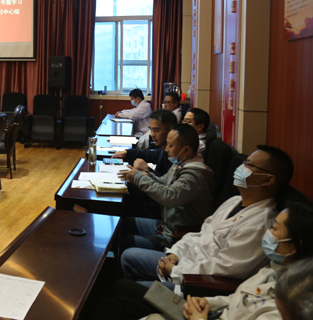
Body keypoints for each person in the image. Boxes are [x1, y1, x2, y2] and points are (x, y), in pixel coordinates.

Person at [94, 201, 313, 320]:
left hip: (199, 300)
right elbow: (237, 299)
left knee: (120, 294)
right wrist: (208, 302)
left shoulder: (292, 299)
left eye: (274, 228)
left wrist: (199, 315)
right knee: (120, 288)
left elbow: (224, 269)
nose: (268, 232)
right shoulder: (272, 270)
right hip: (206, 308)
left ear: (294, 244)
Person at [121, 145, 293, 294]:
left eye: (249, 165)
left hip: (194, 284)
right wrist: (175, 254)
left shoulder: (260, 224)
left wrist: (175, 270)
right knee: (129, 256)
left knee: (125, 290)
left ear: (268, 180)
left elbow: (224, 269)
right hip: (185, 260)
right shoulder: (235, 201)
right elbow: (201, 233)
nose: (242, 168)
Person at [118, 124, 214, 251]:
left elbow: (169, 196)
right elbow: (164, 182)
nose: (166, 149)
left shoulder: (194, 176)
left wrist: (138, 178)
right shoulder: (181, 163)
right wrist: (146, 175)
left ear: (186, 150)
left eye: (170, 145)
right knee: (125, 223)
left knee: (127, 245)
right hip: (165, 225)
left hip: (176, 237)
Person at [114, 109, 178, 177]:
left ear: (171, 131)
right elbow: (150, 154)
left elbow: (165, 182)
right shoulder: (163, 149)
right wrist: (128, 153)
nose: (152, 134)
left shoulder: (177, 155)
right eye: (151, 129)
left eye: (156, 130)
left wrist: (147, 169)